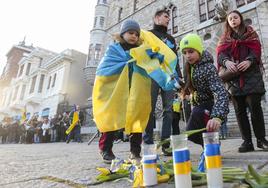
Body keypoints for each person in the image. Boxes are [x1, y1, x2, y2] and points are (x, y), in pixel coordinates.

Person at [93, 20, 144, 163]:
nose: (133, 36)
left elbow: (146, 66)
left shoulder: (140, 51)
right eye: (130, 33)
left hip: (133, 90)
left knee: (136, 120)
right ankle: (105, 149)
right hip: (115, 91)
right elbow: (104, 70)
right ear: (122, 34)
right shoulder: (113, 50)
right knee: (111, 118)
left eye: (136, 34)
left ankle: (135, 152)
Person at [217, 10, 268, 152]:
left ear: (240, 18)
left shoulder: (251, 33)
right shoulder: (225, 38)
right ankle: (247, 142)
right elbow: (221, 54)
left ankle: (261, 140)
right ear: (227, 22)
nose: (233, 20)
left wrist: (250, 61)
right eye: (230, 19)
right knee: (239, 111)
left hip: (251, 76)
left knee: (255, 108)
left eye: (235, 17)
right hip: (233, 79)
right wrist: (226, 62)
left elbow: (256, 50)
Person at [143, 8, 182, 156]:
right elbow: (143, 54)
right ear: (157, 18)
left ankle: (165, 144)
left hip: (168, 76)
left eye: (169, 17)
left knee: (169, 110)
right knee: (149, 109)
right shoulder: (148, 35)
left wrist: (179, 75)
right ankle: (147, 142)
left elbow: (175, 58)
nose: (168, 19)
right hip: (153, 75)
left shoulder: (171, 39)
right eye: (166, 16)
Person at [180, 33, 229, 146]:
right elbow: (190, 88)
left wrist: (217, 116)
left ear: (199, 50)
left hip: (211, 106)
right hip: (198, 105)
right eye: (185, 52)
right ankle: (210, 146)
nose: (187, 56)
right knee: (192, 133)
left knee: (195, 120)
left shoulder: (208, 67)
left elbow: (221, 92)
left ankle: (212, 145)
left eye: (191, 51)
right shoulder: (189, 67)